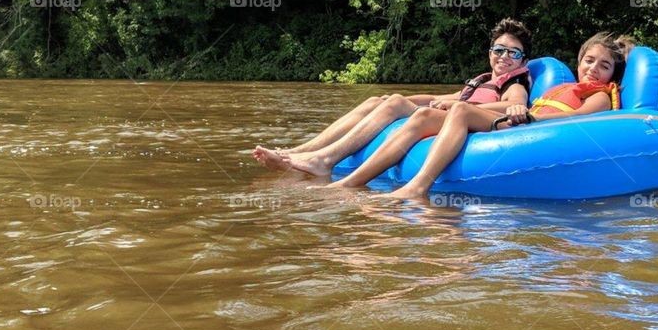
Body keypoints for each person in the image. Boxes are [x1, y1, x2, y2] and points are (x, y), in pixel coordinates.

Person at [330, 32, 625, 197]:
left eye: (604, 65)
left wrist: (532, 118)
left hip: (532, 127)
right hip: (520, 120)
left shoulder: (598, 94)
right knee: (426, 117)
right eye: (589, 60)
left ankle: (418, 186)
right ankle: (351, 182)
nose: (593, 69)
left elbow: (579, 119)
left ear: (613, 74)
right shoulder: (562, 88)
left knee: (460, 109)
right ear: (578, 61)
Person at [252, 18, 533, 176]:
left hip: (462, 123)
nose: (504, 57)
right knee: (382, 100)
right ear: (489, 53)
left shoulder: (515, 82)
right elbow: (438, 96)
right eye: (499, 50)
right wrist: (396, 98)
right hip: (450, 111)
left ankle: (324, 160)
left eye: (513, 52)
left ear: (523, 60)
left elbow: (512, 105)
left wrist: (456, 104)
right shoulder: (482, 80)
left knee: (398, 102)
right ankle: (298, 151)